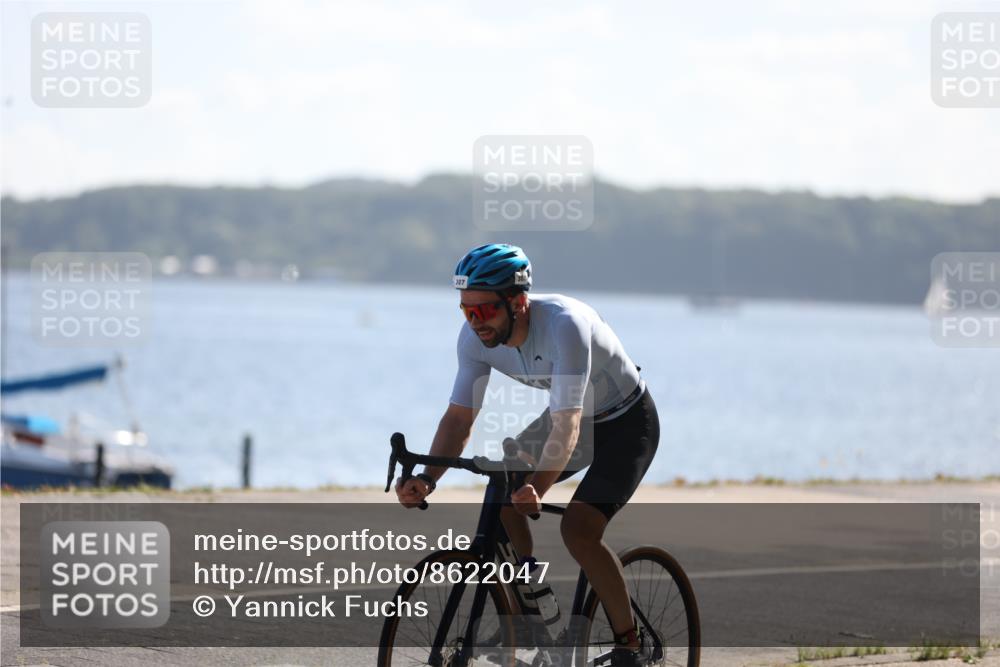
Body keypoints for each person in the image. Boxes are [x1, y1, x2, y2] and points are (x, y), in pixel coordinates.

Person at [395, 243, 659, 666]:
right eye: (466, 310)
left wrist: (537, 485)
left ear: (517, 302)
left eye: (485, 311)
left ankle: (630, 642)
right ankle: (529, 602)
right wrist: (428, 477)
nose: (475, 322)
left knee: (579, 528)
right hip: (571, 419)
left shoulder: (565, 325)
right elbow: (459, 420)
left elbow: (568, 424)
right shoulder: (474, 340)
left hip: (626, 423)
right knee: (502, 496)